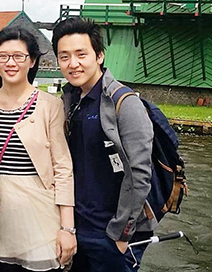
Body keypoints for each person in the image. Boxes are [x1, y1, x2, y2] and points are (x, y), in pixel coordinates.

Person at [51, 17, 155, 272]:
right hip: (77, 229)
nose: (72, 64)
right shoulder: (69, 100)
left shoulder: (124, 103)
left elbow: (140, 173)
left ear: (99, 55)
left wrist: (121, 234)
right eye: (64, 56)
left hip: (110, 234)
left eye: (81, 54)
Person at [0, 27, 76, 271]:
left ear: (32, 61)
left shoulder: (50, 106)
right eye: (3, 56)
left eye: (19, 56)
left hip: (38, 216)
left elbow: (62, 167)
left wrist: (67, 227)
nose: (11, 63)